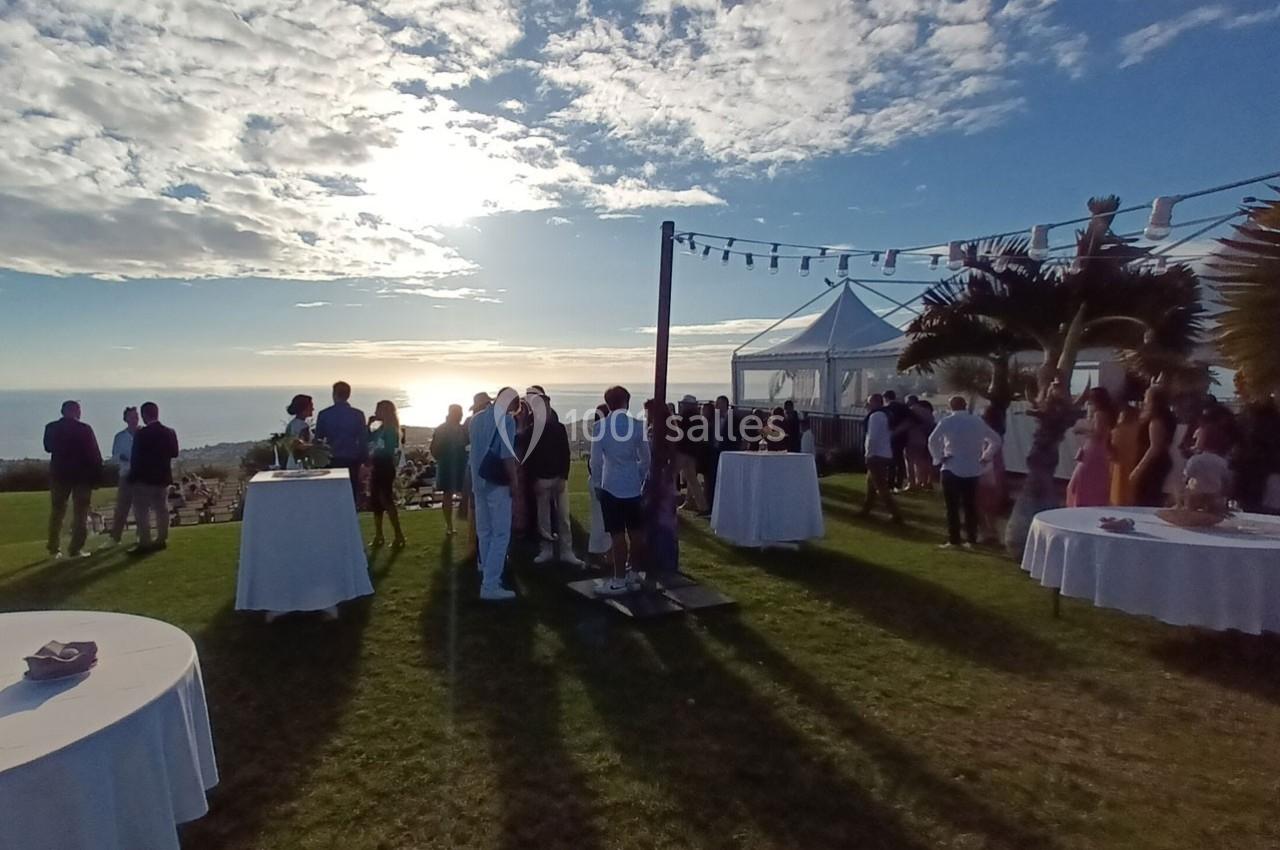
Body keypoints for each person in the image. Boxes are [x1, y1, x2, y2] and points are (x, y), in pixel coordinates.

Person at [590, 385, 650, 596]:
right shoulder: (637, 425)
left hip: (610, 486)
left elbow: (596, 461)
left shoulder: (600, 427)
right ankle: (633, 573)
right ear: (627, 401)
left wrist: (597, 484)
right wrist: (639, 477)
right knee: (636, 533)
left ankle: (618, 579)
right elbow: (646, 459)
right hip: (632, 486)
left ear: (608, 404)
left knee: (617, 535)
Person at [929, 396, 1002, 550]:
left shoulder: (947, 421)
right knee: (970, 506)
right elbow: (996, 440)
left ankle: (954, 540)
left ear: (950, 406)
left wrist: (939, 457)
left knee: (952, 507)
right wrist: (986, 457)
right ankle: (971, 539)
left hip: (952, 466)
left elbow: (932, 440)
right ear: (965, 405)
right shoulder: (977, 421)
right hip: (973, 468)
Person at [524, 389, 584, 566]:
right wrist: (534, 480)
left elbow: (565, 454)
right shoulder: (531, 431)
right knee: (544, 520)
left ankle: (566, 551)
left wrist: (563, 477)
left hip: (558, 479)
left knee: (563, 518)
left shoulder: (558, 428)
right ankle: (547, 550)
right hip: (541, 479)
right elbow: (529, 460)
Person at [469, 390, 518, 601]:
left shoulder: (475, 420)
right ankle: (490, 584)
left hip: (478, 481)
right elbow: (507, 455)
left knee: (485, 531)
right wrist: (514, 482)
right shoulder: (507, 421)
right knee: (501, 534)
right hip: (496, 482)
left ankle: (486, 571)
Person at [43, 400, 103, 558]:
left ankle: (54, 547)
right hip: (81, 476)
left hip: (59, 474)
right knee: (80, 513)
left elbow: (48, 447)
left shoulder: (51, 427)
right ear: (76, 411)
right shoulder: (84, 429)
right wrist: (97, 477)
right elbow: (94, 454)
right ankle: (75, 548)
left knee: (57, 512)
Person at [129, 401, 179, 553]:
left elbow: (135, 458)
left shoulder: (141, 434)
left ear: (144, 415)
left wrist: (132, 478)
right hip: (162, 477)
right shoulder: (169, 432)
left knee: (142, 511)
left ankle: (145, 542)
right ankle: (161, 539)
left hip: (144, 478)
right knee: (161, 509)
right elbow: (174, 453)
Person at [315, 381, 367, 504]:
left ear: (334, 394)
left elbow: (318, 439)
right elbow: (363, 439)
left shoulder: (324, 414)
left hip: (332, 458)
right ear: (348, 395)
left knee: (333, 492)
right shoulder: (358, 414)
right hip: (352, 457)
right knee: (351, 491)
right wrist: (364, 459)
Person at [1067, 387, 1115, 508]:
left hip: (1093, 451)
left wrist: (1081, 430)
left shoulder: (1099, 414)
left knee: (1081, 481)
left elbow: (1098, 434)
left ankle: (1081, 504)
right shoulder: (1104, 414)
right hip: (1096, 450)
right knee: (1091, 481)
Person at [1130, 385, 1177, 508]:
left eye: (1146, 396)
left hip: (1153, 464)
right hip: (1161, 461)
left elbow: (1155, 447)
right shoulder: (1168, 417)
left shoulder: (1156, 419)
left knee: (1144, 499)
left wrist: (1138, 470)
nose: (1144, 399)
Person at [368, 400, 406, 548]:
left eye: (378, 410)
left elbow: (389, 450)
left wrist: (376, 453)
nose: (375, 413)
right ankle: (379, 535)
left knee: (386, 499)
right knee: (376, 501)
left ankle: (398, 535)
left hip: (385, 466)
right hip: (377, 466)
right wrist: (369, 425)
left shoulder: (391, 430)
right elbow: (368, 439)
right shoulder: (381, 428)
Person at [859, 394, 902, 523]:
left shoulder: (875, 416)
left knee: (881, 486)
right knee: (871, 484)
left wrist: (868, 454)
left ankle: (895, 514)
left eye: (869, 402)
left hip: (876, 455)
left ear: (875, 402)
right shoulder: (887, 414)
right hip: (885, 453)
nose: (867, 405)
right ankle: (866, 510)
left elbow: (872, 437)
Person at [430, 404, 468, 536]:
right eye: (459, 413)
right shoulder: (444, 429)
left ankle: (454, 525)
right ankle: (450, 526)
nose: (461, 415)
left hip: (457, 465)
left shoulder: (460, 429)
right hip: (449, 466)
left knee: (458, 494)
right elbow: (434, 449)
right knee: (449, 495)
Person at [585, 404, 614, 560]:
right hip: (602, 481)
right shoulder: (604, 433)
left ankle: (603, 552)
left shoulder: (600, 432)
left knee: (600, 519)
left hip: (597, 480)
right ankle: (602, 552)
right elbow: (596, 462)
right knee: (604, 521)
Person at [108, 406, 140, 545]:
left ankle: (141, 535)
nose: (134, 419)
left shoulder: (145, 433)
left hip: (142, 475)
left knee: (141, 506)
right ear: (125, 419)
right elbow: (114, 456)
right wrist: (122, 457)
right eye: (131, 416)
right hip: (126, 474)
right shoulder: (120, 437)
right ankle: (115, 538)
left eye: (136, 416)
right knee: (122, 507)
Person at [976, 405, 1007, 544]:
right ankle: (992, 530)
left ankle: (985, 531)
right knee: (991, 502)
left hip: (984, 467)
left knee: (979, 501)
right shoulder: (999, 432)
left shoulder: (984, 430)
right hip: (996, 468)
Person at [674, 395, 709, 513]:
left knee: (670, 476)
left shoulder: (684, 418)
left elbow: (679, 434)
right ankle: (703, 506)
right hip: (692, 453)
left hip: (682, 452)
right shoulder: (699, 419)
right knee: (692, 480)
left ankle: (666, 502)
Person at [1109, 401, 1141, 506]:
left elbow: (1112, 449)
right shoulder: (1137, 429)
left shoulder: (1118, 430)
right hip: (1132, 463)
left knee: (1118, 492)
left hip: (1120, 465)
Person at [882, 390, 911, 490]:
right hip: (903, 436)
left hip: (891, 436)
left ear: (885, 398)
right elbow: (913, 419)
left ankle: (890, 482)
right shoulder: (904, 407)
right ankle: (899, 482)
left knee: (891, 460)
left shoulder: (887, 409)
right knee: (900, 460)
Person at [906, 398, 936, 491]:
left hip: (911, 439)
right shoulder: (927, 412)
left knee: (910, 462)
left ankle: (912, 483)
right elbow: (932, 425)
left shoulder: (909, 411)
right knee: (922, 462)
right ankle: (923, 482)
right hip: (925, 439)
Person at [285, 394, 314, 470]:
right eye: (311, 406)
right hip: (301, 464)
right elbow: (302, 445)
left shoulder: (292, 424)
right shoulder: (303, 426)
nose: (313, 409)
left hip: (291, 462)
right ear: (304, 408)